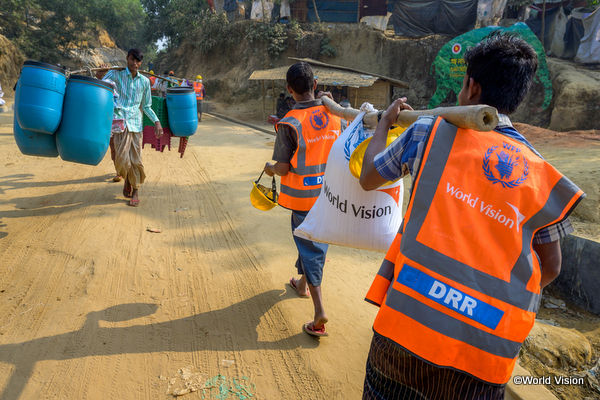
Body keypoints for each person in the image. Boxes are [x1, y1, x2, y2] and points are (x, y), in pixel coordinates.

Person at [359, 32, 585, 399]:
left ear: (471, 87)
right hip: (482, 358)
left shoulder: (428, 132)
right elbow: (552, 267)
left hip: (406, 335)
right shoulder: (541, 175)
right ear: (519, 96)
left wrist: (382, 126)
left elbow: (369, 178)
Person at [264, 62, 342, 337]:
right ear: (315, 85)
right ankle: (301, 283)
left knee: (310, 247)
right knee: (309, 239)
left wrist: (269, 168)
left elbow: (283, 168)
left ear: (288, 90)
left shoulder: (289, 123)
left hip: (303, 198)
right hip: (331, 195)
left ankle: (319, 310)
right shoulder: (336, 114)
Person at [96, 48, 163, 207]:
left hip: (136, 124)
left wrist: (156, 121)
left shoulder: (145, 82)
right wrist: (100, 74)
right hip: (119, 123)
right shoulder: (116, 74)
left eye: (138, 61)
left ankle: (136, 190)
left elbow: (146, 106)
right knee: (120, 160)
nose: (134, 63)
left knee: (136, 160)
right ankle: (127, 178)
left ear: (141, 63)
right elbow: (101, 86)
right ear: (127, 59)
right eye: (132, 59)